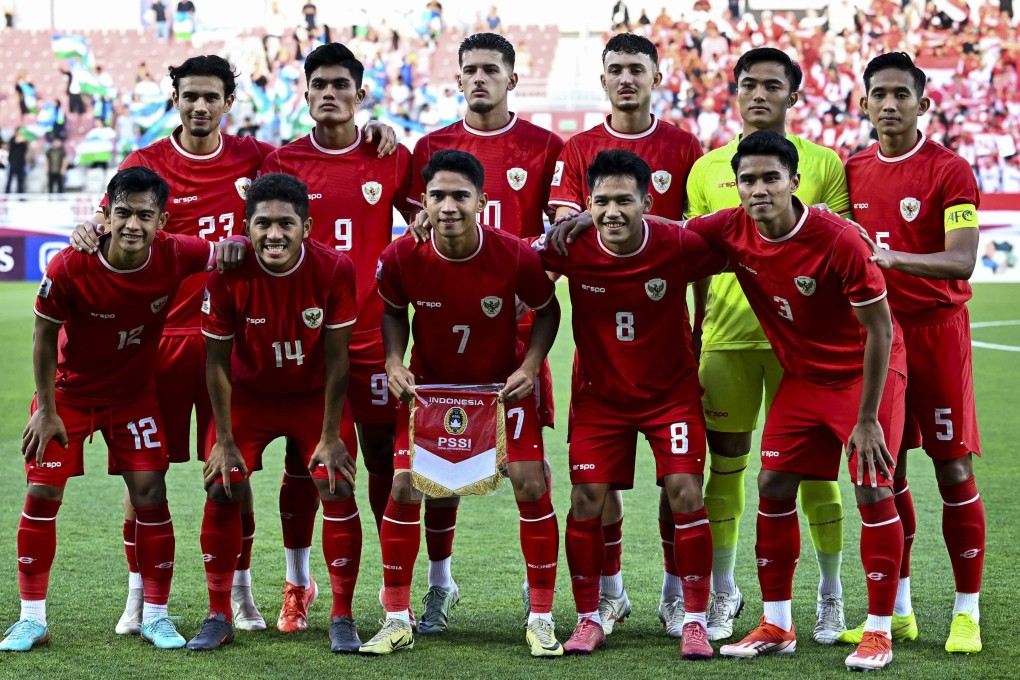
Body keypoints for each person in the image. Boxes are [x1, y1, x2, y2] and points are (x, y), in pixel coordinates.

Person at [70, 54, 397, 636]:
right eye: (189, 96)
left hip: (244, 346)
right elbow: (109, 225)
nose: (200, 106)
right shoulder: (144, 162)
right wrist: (86, 228)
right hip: (165, 336)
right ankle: (139, 596)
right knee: (147, 473)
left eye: (211, 96)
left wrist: (373, 132)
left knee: (235, 474)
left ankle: (241, 596)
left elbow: (303, 178)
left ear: (228, 102)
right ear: (175, 99)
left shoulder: (256, 158)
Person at [682, 131, 907, 673]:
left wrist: (869, 418)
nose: (758, 190)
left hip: (865, 376)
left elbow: (880, 331)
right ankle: (778, 623)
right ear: (735, 186)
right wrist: (594, 224)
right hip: (804, 378)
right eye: (748, 181)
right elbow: (668, 238)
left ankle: (878, 631)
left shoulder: (838, 240)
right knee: (773, 484)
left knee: (872, 490)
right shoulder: (732, 227)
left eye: (770, 178)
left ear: (794, 182)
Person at [1, 166, 242, 652]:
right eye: (124, 213)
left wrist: (254, 238)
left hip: (134, 396)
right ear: (105, 214)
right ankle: (31, 619)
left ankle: (155, 615)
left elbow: (235, 249)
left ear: (163, 220)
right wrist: (45, 409)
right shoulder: (70, 265)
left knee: (152, 492)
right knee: (43, 493)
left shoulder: (177, 252)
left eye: (145, 216)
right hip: (68, 396)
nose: (134, 225)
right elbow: (43, 337)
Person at [361, 149, 563, 657]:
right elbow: (391, 311)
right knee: (406, 486)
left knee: (531, 479)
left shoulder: (514, 252)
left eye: (460, 196)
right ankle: (395, 617)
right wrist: (393, 360)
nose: (448, 206)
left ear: (482, 201)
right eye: (438, 196)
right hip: (431, 389)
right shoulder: (401, 255)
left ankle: (540, 617)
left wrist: (530, 366)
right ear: (422, 202)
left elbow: (547, 309)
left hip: (499, 389)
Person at [685, 47, 852, 644]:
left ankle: (829, 595)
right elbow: (694, 255)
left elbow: (840, 249)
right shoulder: (707, 169)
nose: (759, 95)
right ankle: (725, 592)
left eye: (772, 86)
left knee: (812, 475)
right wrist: (696, 324)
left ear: (794, 95)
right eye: (748, 85)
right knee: (725, 469)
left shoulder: (825, 164)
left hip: (802, 349)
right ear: (733, 91)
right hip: (727, 340)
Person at [532, 149, 725, 658]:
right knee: (585, 499)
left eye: (624, 200)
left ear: (647, 201)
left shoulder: (677, 242)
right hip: (601, 398)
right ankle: (591, 616)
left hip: (671, 394)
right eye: (600, 202)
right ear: (585, 205)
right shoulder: (570, 246)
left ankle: (695, 619)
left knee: (685, 491)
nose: (612, 212)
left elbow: (738, 238)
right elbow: (507, 259)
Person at [405, 32, 564, 631]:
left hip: (519, 336)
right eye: (469, 69)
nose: (479, 79)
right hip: (445, 335)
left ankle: (536, 590)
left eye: (490, 70)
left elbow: (560, 232)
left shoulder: (545, 147)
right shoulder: (431, 146)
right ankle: (440, 589)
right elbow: (416, 237)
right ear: (457, 79)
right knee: (438, 469)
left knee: (532, 469)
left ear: (512, 79)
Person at [547, 31, 703, 637]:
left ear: (657, 77)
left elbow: (696, 242)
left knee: (682, 487)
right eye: (615, 69)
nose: (626, 79)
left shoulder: (683, 146)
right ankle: (604, 600)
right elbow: (561, 229)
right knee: (593, 491)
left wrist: (703, 322)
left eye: (637, 68)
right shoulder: (580, 147)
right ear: (603, 79)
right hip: (601, 367)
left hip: (667, 359)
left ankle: (678, 602)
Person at [259, 42, 417, 624]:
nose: (330, 93)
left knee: (382, 460)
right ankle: (298, 585)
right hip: (305, 346)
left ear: (360, 94)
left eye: (341, 85)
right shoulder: (280, 163)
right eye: (319, 84)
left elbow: (421, 219)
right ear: (304, 94)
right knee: (305, 465)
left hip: (376, 344)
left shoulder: (390, 156)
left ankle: (390, 587)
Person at [840, 51, 985, 655]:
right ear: (866, 103)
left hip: (938, 334)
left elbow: (962, 259)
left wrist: (897, 259)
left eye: (902, 93)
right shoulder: (853, 169)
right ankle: (898, 612)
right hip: (882, 339)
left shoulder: (950, 170)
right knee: (885, 470)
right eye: (880, 93)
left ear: (923, 104)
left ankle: (966, 612)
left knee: (952, 469)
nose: (890, 104)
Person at [187, 173, 361, 652]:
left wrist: (330, 435)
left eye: (286, 223)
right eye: (263, 224)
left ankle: (342, 616)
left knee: (336, 478)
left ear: (307, 226)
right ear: (247, 227)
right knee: (223, 486)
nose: (275, 234)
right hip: (249, 396)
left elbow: (337, 360)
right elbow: (217, 363)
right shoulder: (227, 274)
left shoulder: (334, 268)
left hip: (312, 395)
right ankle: (218, 613)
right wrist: (223, 442)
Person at [5, 129, 28, 194]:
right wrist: (22, 138)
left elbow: (25, 150)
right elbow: (16, 141)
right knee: (9, 180)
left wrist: (24, 140)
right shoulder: (12, 139)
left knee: (20, 180)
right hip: (13, 163)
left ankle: (21, 196)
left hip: (21, 163)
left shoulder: (24, 142)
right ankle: (6, 194)